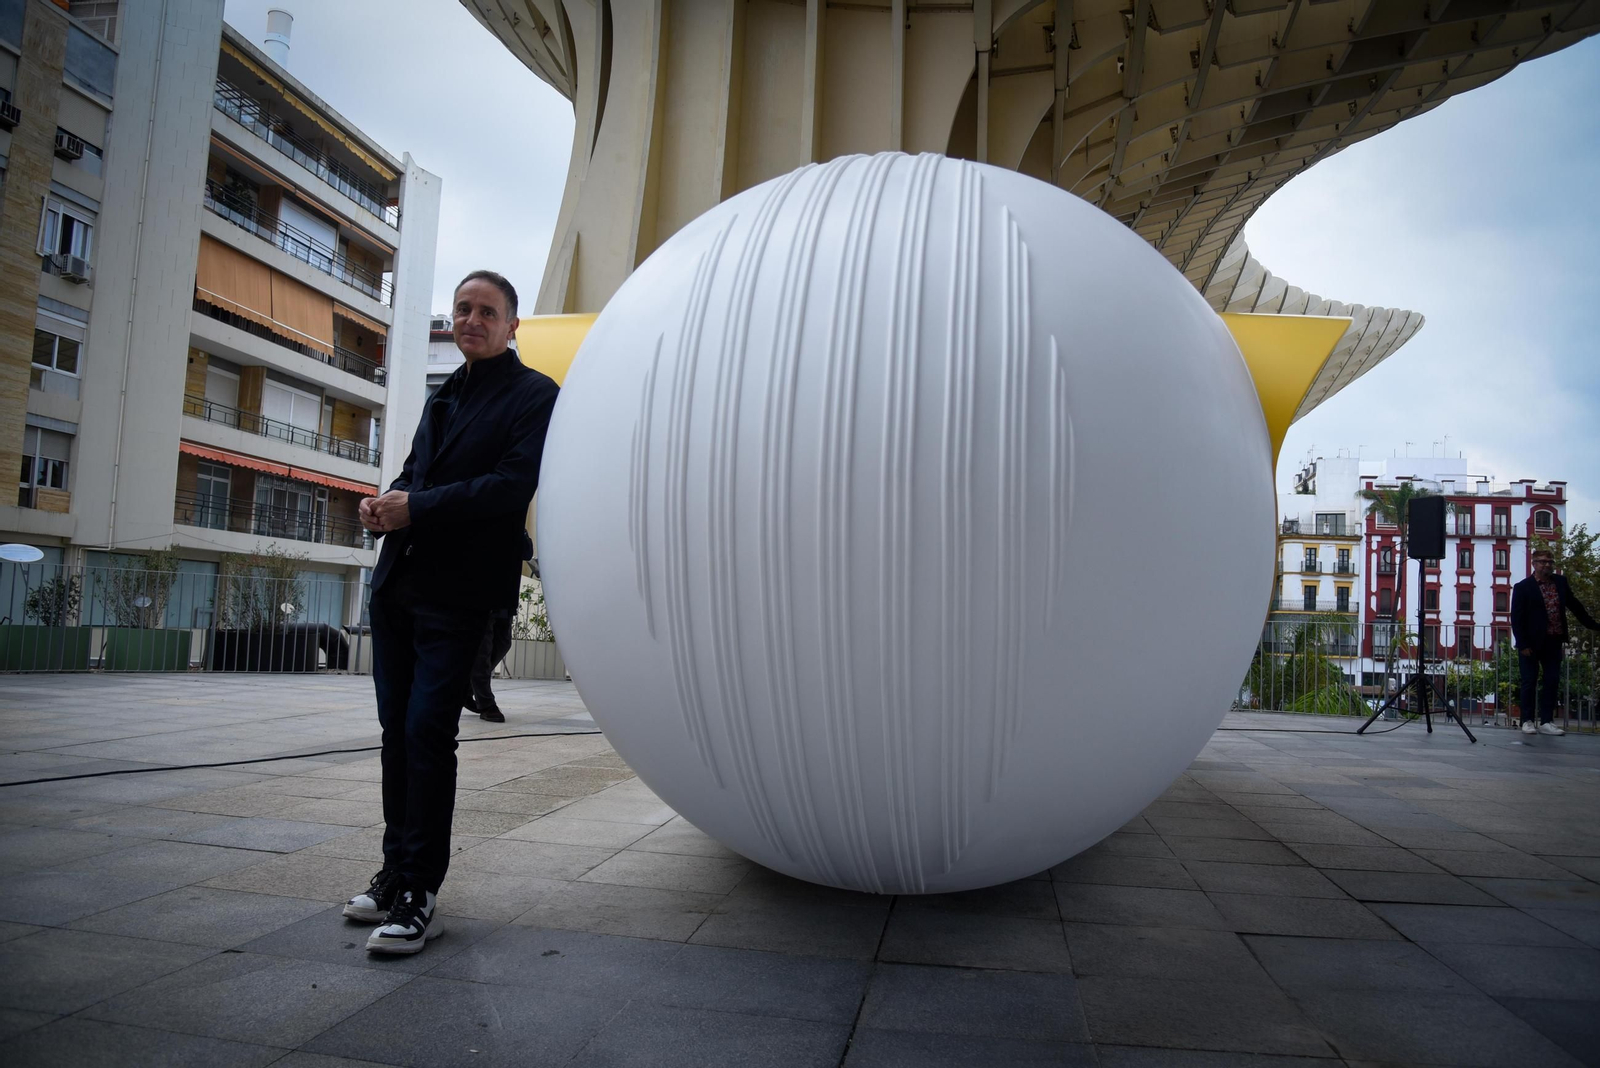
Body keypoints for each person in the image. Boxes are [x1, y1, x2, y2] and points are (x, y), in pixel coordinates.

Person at [342, 270, 558, 954]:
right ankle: (394, 870)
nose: (471, 319)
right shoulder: (446, 396)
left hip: (460, 595)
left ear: (511, 325)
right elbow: (416, 475)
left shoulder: (535, 396)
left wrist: (419, 507)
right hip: (399, 587)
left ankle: (418, 893)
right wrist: (384, 506)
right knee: (395, 737)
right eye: (462, 308)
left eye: (486, 311)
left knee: (428, 735)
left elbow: (509, 488)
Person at [1510, 549, 1599, 737]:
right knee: (1529, 682)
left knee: (1552, 681)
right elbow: (1516, 618)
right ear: (1533, 563)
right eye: (1543, 562)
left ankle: (1546, 721)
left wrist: (1593, 625)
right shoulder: (1523, 587)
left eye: (1550, 562)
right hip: (1531, 644)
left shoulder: (1560, 582)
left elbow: (1575, 606)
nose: (1547, 565)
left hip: (1554, 640)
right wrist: (1522, 643)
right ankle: (1527, 720)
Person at [464, 613, 514, 722]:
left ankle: (467, 689)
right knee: (482, 650)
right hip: (481, 601)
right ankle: (486, 703)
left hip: (505, 602)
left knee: (503, 643)